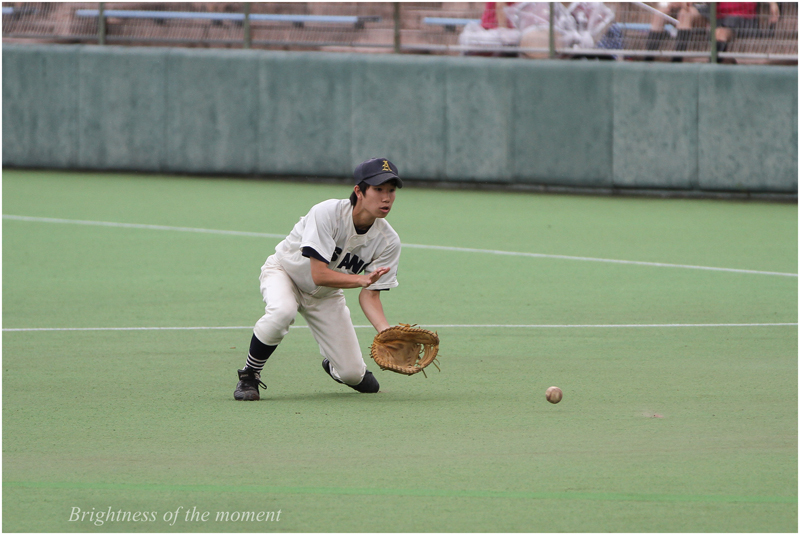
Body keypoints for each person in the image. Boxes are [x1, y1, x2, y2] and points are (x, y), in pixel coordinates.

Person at [233, 158, 403, 400]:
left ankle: (334, 365)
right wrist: (360, 280)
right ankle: (250, 375)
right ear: (359, 191)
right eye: (378, 189)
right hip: (285, 274)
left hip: (326, 295)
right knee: (283, 311)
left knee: (355, 376)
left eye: (391, 190)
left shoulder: (388, 241)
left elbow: (370, 295)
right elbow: (319, 274)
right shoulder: (327, 213)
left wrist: (385, 332)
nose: (386, 198)